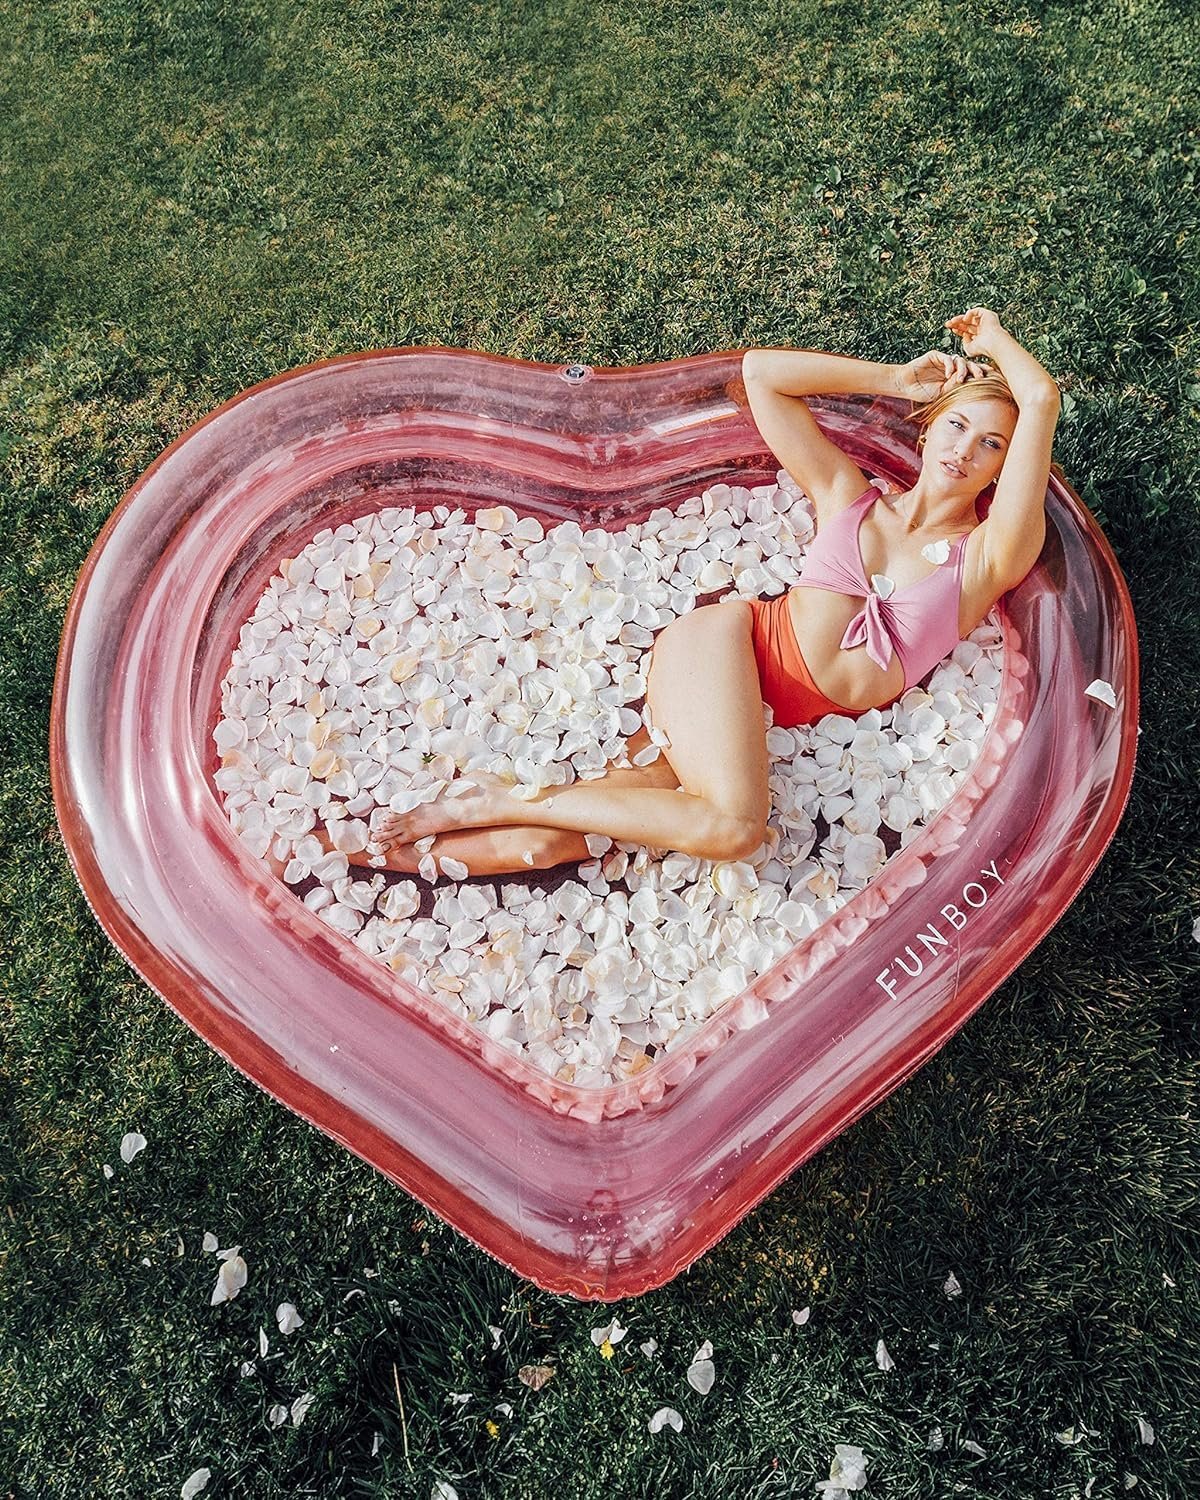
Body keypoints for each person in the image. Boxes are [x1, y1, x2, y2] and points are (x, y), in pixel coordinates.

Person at [364, 307, 1060, 878]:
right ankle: (499, 797)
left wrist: (997, 344)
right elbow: (762, 376)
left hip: (747, 719)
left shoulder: (986, 557)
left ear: (1005, 467)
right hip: (726, 646)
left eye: (992, 445)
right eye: (957, 425)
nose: (964, 451)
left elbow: (1041, 400)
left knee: (545, 848)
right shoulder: (848, 496)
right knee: (733, 830)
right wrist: (894, 380)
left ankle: (350, 853)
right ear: (930, 424)